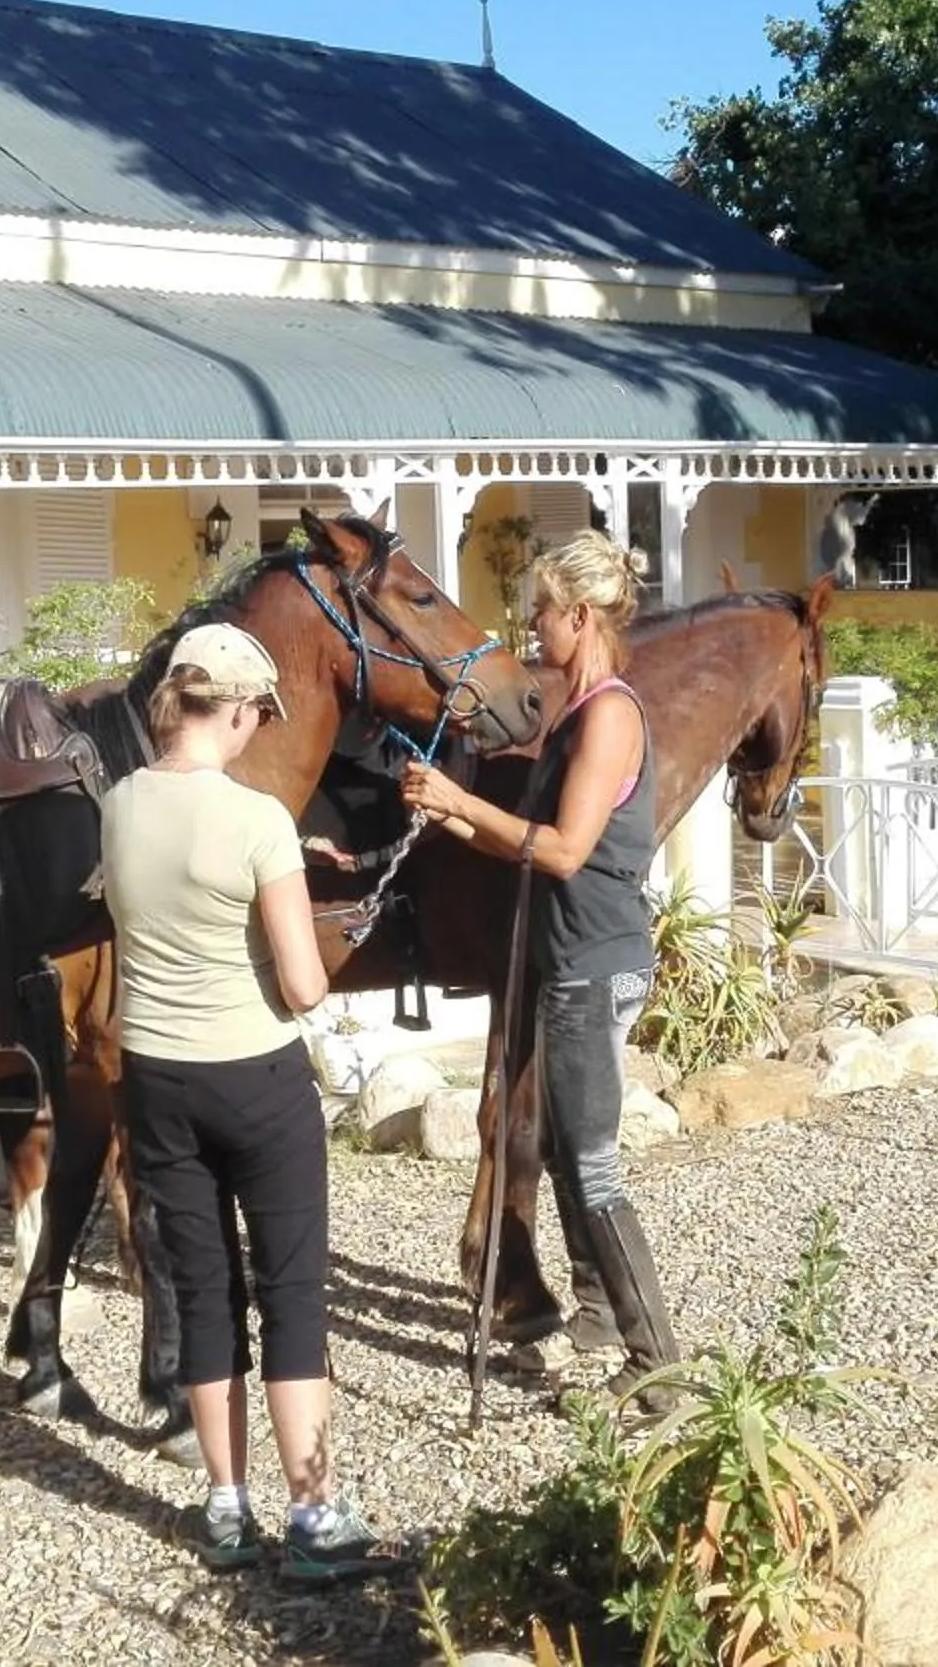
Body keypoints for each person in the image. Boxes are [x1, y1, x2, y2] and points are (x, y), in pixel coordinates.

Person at [96, 621, 401, 1580]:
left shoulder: (118, 802)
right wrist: (293, 890)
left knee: (205, 1290)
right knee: (292, 1291)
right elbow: (305, 987)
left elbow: (170, 883)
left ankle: (226, 1510)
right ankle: (313, 1517)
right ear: (232, 710)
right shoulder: (259, 820)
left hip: (155, 1076)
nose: (256, 729)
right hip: (254, 1079)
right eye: (256, 714)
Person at [399, 531, 682, 1413]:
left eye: (542, 613)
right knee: (561, 1149)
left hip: (596, 964)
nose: (530, 628)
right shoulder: (577, 708)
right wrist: (445, 815)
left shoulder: (609, 716)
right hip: (571, 960)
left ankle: (658, 1368)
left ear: (581, 615)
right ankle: (597, 1315)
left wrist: (463, 801)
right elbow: (524, 845)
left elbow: (562, 851)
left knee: (594, 1169)